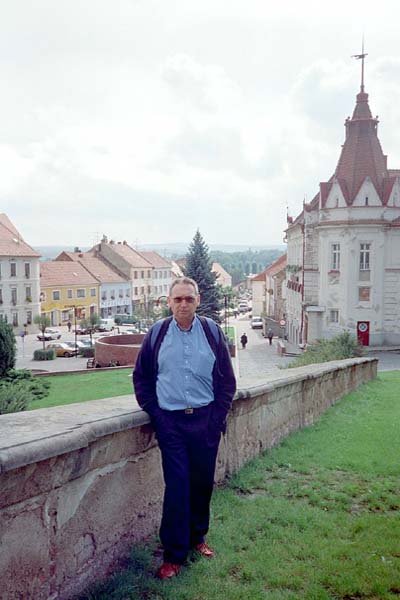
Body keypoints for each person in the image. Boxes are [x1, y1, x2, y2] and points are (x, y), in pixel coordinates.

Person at [133, 277, 236, 580]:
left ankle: (197, 537)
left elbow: (227, 382)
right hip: (172, 423)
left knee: (203, 483)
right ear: (168, 302)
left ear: (197, 300)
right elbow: (142, 379)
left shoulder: (212, 332)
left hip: (205, 420)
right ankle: (173, 555)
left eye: (188, 299)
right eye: (177, 299)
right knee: (177, 487)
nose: (183, 304)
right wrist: (158, 416)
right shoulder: (157, 334)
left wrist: (216, 418)